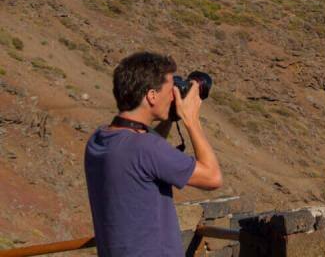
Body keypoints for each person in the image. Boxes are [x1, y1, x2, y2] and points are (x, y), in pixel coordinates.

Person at [84, 51, 222, 257]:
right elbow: (213, 178)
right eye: (169, 90)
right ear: (151, 96)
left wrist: (169, 116)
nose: (173, 95)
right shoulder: (146, 148)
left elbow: (142, 154)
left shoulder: (99, 140)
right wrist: (191, 119)